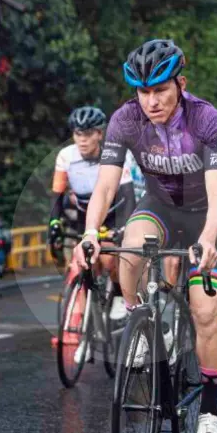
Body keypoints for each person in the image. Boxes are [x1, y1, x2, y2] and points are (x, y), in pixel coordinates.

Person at [74, 39, 217, 433]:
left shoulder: (206, 118)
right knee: (130, 248)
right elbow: (105, 186)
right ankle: (140, 320)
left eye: (160, 90)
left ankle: (210, 412)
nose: (152, 101)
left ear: (181, 84)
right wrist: (90, 233)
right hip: (160, 206)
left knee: (205, 311)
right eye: (143, 92)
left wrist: (209, 239)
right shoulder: (125, 119)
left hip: (205, 214)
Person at [48, 106, 137, 360]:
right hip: (84, 218)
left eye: (88, 134)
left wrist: (123, 230)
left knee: (109, 259)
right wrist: (54, 224)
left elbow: (128, 196)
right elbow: (57, 197)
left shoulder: (116, 154)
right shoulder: (65, 156)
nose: (82, 140)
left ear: (100, 134)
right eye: (78, 134)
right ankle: (88, 333)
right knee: (83, 266)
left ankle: (118, 293)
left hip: (114, 213)